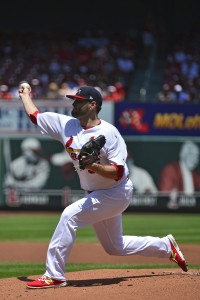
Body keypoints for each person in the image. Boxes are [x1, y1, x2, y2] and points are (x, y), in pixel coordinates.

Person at [18, 84, 188, 289]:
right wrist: (24, 95)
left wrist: (92, 165)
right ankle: (165, 246)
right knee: (115, 247)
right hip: (95, 192)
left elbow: (117, 173)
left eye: (78, 101)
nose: (74, 103)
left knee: (69, 216)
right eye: (74, 100)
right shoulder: (66, 124)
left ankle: (54, 275)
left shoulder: (109, 133)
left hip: (116, 193)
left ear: (92, 105)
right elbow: (35, 116)